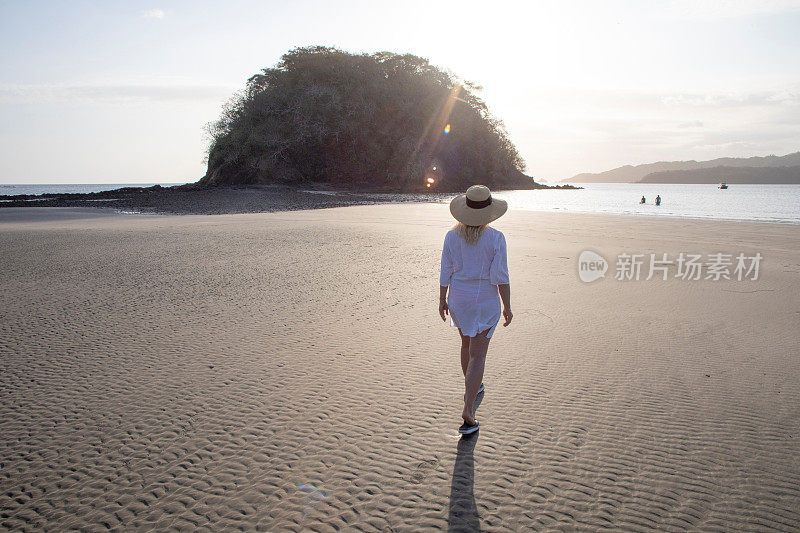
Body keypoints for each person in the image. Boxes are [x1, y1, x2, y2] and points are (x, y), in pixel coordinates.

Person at [439, 185, 513, 435]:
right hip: (484, 300)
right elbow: (500, 275)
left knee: (466, 346)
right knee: (479, 355)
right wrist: (508, 306)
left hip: (459, 297)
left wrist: (442, 299)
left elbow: (444, 271)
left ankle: (472, 386)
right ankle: (469, 409)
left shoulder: (451, 237)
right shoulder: (496, 238)